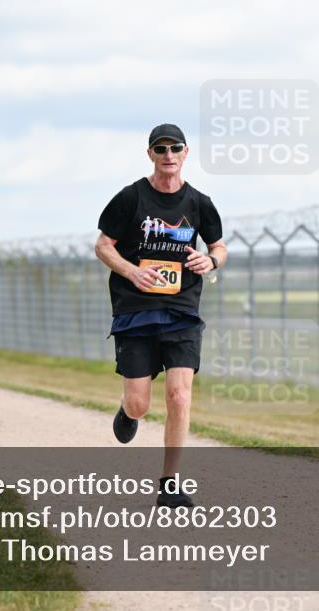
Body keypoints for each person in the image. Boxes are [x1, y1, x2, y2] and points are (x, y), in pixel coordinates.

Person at [95, 123, 227, 508]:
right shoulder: (130, 198)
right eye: (160, 148)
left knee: (179, 395)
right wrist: (131, 270)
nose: (168, 155)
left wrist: (211, 259)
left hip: (182, 308)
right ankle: (128, 410)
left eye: (175, 148)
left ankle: (170, 484)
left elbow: (219, 246)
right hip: (136, 310)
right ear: (150, 154)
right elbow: (104, 246)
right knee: (141, 403)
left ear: (186, 153)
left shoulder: (200, 203)